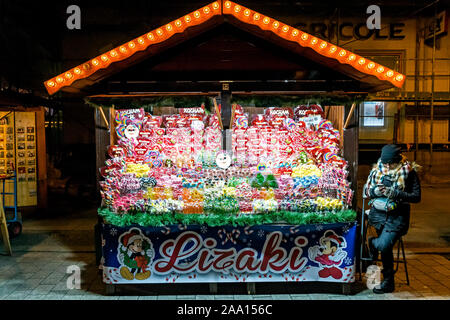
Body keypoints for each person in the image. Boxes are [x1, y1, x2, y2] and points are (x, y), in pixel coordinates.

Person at [364, 144, 421, 294]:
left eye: (391, 164)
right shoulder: (378, 169)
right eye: (385, 163)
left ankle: (372, 243)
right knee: (387, 249)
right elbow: (367, 191)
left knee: (383, 245)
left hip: (398, 217)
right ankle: (389, 283)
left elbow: (416, 197)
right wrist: (375, 191)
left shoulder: (409, 172)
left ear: (398, 160)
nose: (388, 166)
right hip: (378, 215)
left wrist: (396, 193)